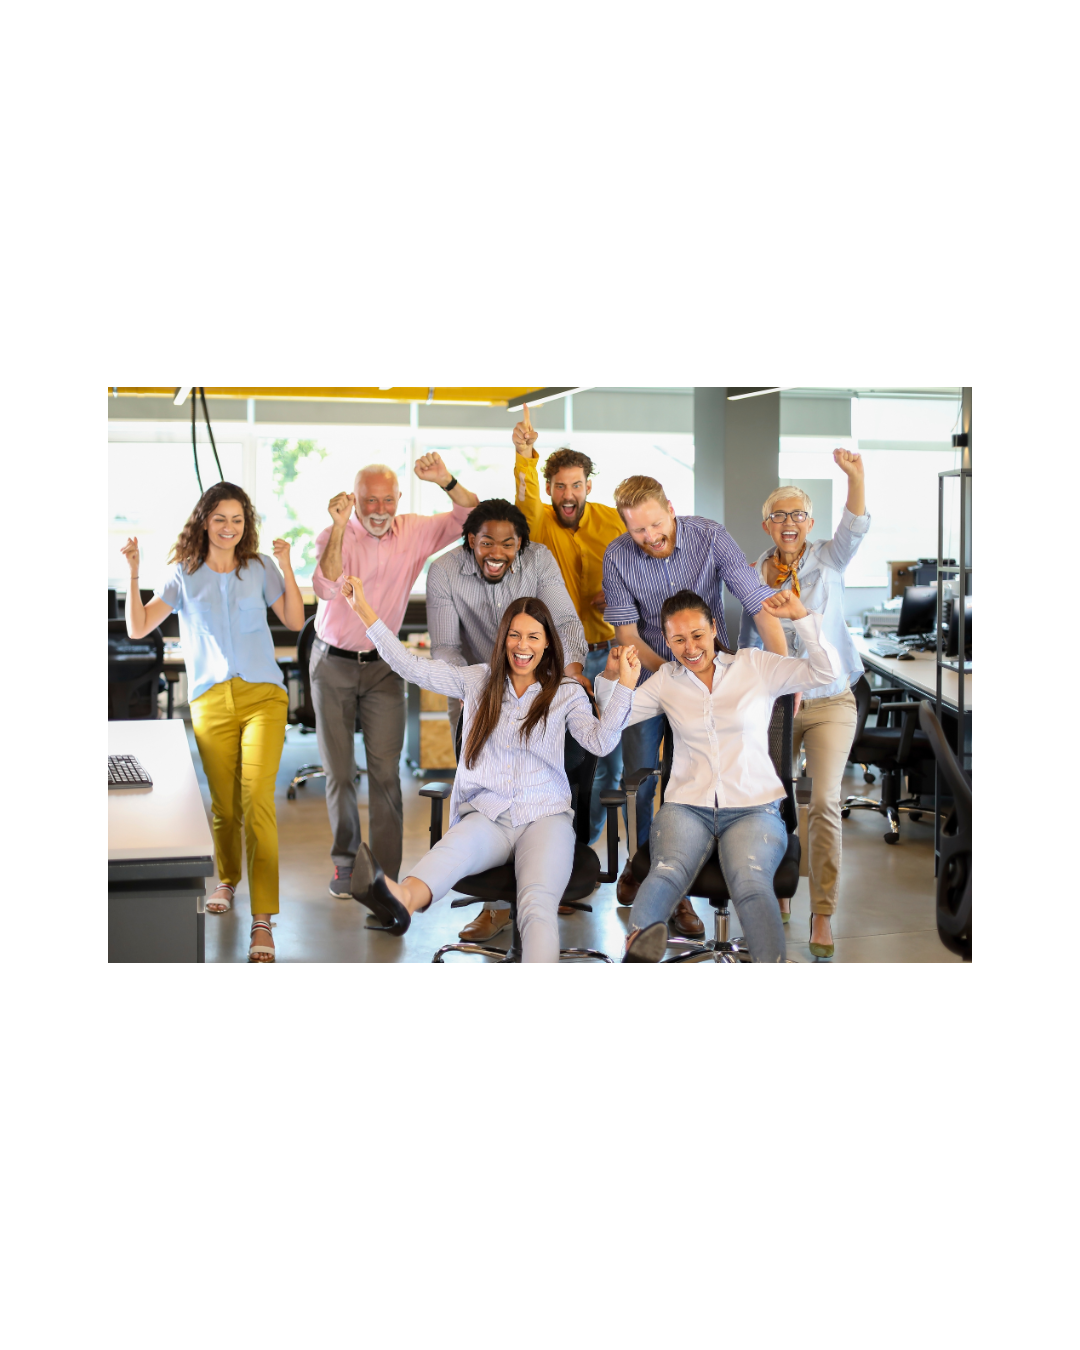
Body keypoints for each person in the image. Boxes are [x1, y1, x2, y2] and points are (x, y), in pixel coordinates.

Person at [336, 581, 653, 962]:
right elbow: (410, 666)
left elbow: (601, 743)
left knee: (536, 906)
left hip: (545, 819)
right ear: (503, 639)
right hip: (487, 815)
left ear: (547, 644)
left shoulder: (566, 692)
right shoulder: (477, 680)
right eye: (515, 635)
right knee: (450, 853)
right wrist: (363, 610)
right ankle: (401, 900)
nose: (522, 645)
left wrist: (624, 687)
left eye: (533, 637)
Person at [595, 588, 843, 962]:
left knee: (751, 881)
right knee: (665, 872)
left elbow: (825, 671)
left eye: (697, 635)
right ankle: (638, 956)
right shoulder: (666, 680)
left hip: (753, 808)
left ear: (714, 628)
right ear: (666, 641)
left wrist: (801, 618)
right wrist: (612, 678)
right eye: (678, 639)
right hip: (686, 807)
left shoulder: (755, 665)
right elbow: (615, 719)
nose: (690, 648)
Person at [120, 482, 305, 963]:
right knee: (224, 804)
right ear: (204, 520)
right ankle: (227, 879)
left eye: (237, 519)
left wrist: (287, 565)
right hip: (210, 702)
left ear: (247, 524)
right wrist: (133, 572)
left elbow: (294, 620)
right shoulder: (183, 574)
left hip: (264, 696)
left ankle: (263, 919)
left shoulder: (260, 567)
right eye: (220, 518)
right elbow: (138, 627)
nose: (229, 527)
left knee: (257, 800)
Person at [601, 474, 788, 938]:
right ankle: (650, 869)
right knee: (641, 779)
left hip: (711, 675)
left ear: (670, 508)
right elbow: (627, 635)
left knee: (695, 775)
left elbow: (758, 604)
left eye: (656, 524)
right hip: (651, 674)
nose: (650, 537)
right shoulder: (617, 555)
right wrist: (675, 674)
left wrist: (782, 671)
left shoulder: (710, 536)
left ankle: (677, 881)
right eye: (638, 530)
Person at [310, 453, 479, 898]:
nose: (379, 509)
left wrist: (445, 480)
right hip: (332, 664)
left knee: (386, 775)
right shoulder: (335, 534)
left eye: (387, 500)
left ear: (399, 498)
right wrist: (339, 526)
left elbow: (471, 515)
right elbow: (326, 586)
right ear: (354, 499)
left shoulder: (414, 531)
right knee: (340, 773)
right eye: (369, 500)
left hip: (384, 666)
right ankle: (345, 862)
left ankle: (382, 876)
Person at [426, 497, 588, 944]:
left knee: (545, 784)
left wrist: (569, 678)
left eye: (508, 544)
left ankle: (546, 876)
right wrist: (475, 692)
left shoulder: (539, 560)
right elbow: (445, 648)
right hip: (478, 689)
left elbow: (565, 623)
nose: (496, 552)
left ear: (521, 544)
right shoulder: (444, 571)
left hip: (541, 687)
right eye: (485, 543)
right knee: (489, 799)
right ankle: (496, 908)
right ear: (470, 542)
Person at [739, 449, 869, 960]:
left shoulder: (829, 559)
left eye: (798, 514)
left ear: (810, 523)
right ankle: (780, 886)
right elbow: (751, 643)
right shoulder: (753, 574)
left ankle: (823, 911)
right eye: (779, 515)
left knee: (826, 802)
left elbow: (854, 525)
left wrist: (855, 476)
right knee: (773, 800)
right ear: (767, 525)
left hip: (830, 700)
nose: (788, 521)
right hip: (779, 705)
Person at [510, 406, 627, 844]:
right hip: (558, 663)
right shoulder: (539, 520)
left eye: (576, 485)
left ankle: (584, 846)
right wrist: (525, 455)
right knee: (560, 756)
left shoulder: (612, 521)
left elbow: (642, 566)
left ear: (588, 487)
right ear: (549, 488)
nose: (568, 493)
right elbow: (524, 500)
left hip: (608, 656)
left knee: (609, 761)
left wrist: (619, 591)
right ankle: (557, 842)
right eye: (560, 486)